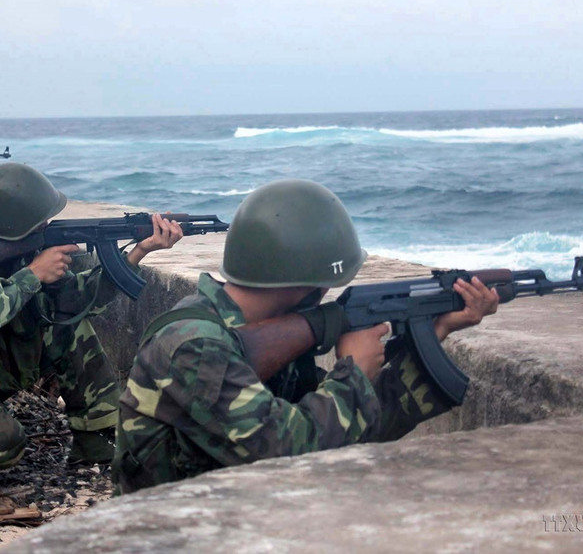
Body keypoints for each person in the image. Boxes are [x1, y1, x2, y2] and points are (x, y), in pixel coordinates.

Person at [112, 179, 499, 494]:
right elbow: (289, 453)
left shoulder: (260, 331)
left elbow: (348, 432)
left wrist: (438, 331)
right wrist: (354, 374)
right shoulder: (193, 346)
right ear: (307, 284)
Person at [0, 163, 184, 469]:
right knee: (3, 444)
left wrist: (137, 253)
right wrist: (33, 274)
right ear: (17, 224)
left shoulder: (25, 250)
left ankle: (96, 440)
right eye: (41, 221)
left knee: (71, 326)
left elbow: (76, 301)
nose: (47, 225)